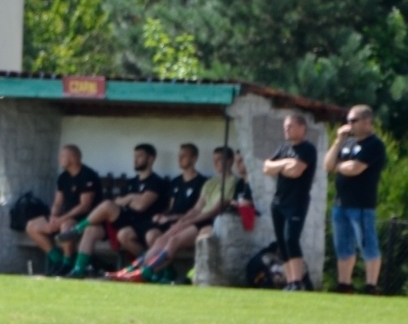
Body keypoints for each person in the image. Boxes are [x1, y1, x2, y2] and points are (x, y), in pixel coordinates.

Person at [112, 147, 250, 282]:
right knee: (163, 238)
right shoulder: (209, 183)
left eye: (220, 159)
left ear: (230, 161)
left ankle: (146, 272)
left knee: (173, 241)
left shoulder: (235, 183)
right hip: (197, 219)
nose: (216, 163)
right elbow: (197, 208)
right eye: (214, 160)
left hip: (209, 222)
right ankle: (134, 268)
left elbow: (213, 211)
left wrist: (188, 221)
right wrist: (182, 219)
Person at [61, 143, 167, 278]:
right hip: (121, 220)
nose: (135, 159)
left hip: (140, 223)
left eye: (140, 156)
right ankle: (77, 270)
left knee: (107, 206)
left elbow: (140, 206)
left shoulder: (156, 182)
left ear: (151, 158)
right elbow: (117, 201)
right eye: (135, 156)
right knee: (91, 229)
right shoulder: (131, 182)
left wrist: (127, 201)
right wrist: (131, 197)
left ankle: (76, 229)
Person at [325, 104, 389, 295]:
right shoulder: (347, 143)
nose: (349, 124)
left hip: (361, 204)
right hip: (340, 203)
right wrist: (338, 141)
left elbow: (355, 169)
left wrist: (339, 165)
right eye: (348, 120)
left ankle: (371, 286)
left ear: (367, 122)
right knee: (343, 246)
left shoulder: (374, 145)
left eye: (353, 120)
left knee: (367, 244)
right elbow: (327, 164)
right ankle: (344, 284)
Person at [262, 114, 318, 291]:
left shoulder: (308, 149)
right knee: (282, 242)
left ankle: (298, 280)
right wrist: (285, 162)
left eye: (291, 126)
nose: (286, 129)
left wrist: (279, 166)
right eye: (285, 126)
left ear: (302, 128)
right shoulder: (284, 148)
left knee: (291, 239)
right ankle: (291, 281)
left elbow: (296, 171)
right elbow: (266, 167)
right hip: (278, 202)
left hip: (296, 202)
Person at [26, 144, 100, 275]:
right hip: (63, 217)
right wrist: (53, 217)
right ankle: (57, 260)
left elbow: (85, 206)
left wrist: (61, 220)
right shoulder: (63, 177)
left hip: (83, 220)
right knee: (31, 226)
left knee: (66, 226)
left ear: (72, 158)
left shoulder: (88, 176)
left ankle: (67, 263)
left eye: (62, 156)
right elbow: (58, 202)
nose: (59, 159)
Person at [145, 143, 206, 247]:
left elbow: (199, 211)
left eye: (184, 156)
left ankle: (158, 262)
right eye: (179, 156)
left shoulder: (203, 182)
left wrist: (173, 218)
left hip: (187, 222)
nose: (180, 159)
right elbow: (171, 207)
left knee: (166, 240)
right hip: (170, 220)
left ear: (194, 158)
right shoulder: (175, 181)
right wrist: (162, 215)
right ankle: (162, 263)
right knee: (151, 236)